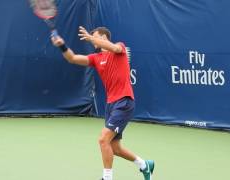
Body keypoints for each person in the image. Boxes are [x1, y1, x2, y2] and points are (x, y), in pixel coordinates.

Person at [51, 26, 155, 180]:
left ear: (104, 37)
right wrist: (61, 45)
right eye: (92, 37)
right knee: (114, 147)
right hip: (111, 105)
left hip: (124, 101)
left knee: (102, 139)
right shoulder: (96, 58)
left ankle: (107, 177)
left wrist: (91, 37)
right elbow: (72, 58)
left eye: (96, 37)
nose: (92, 40)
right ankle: (144, 165)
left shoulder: (119, 48)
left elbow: (112, 47)